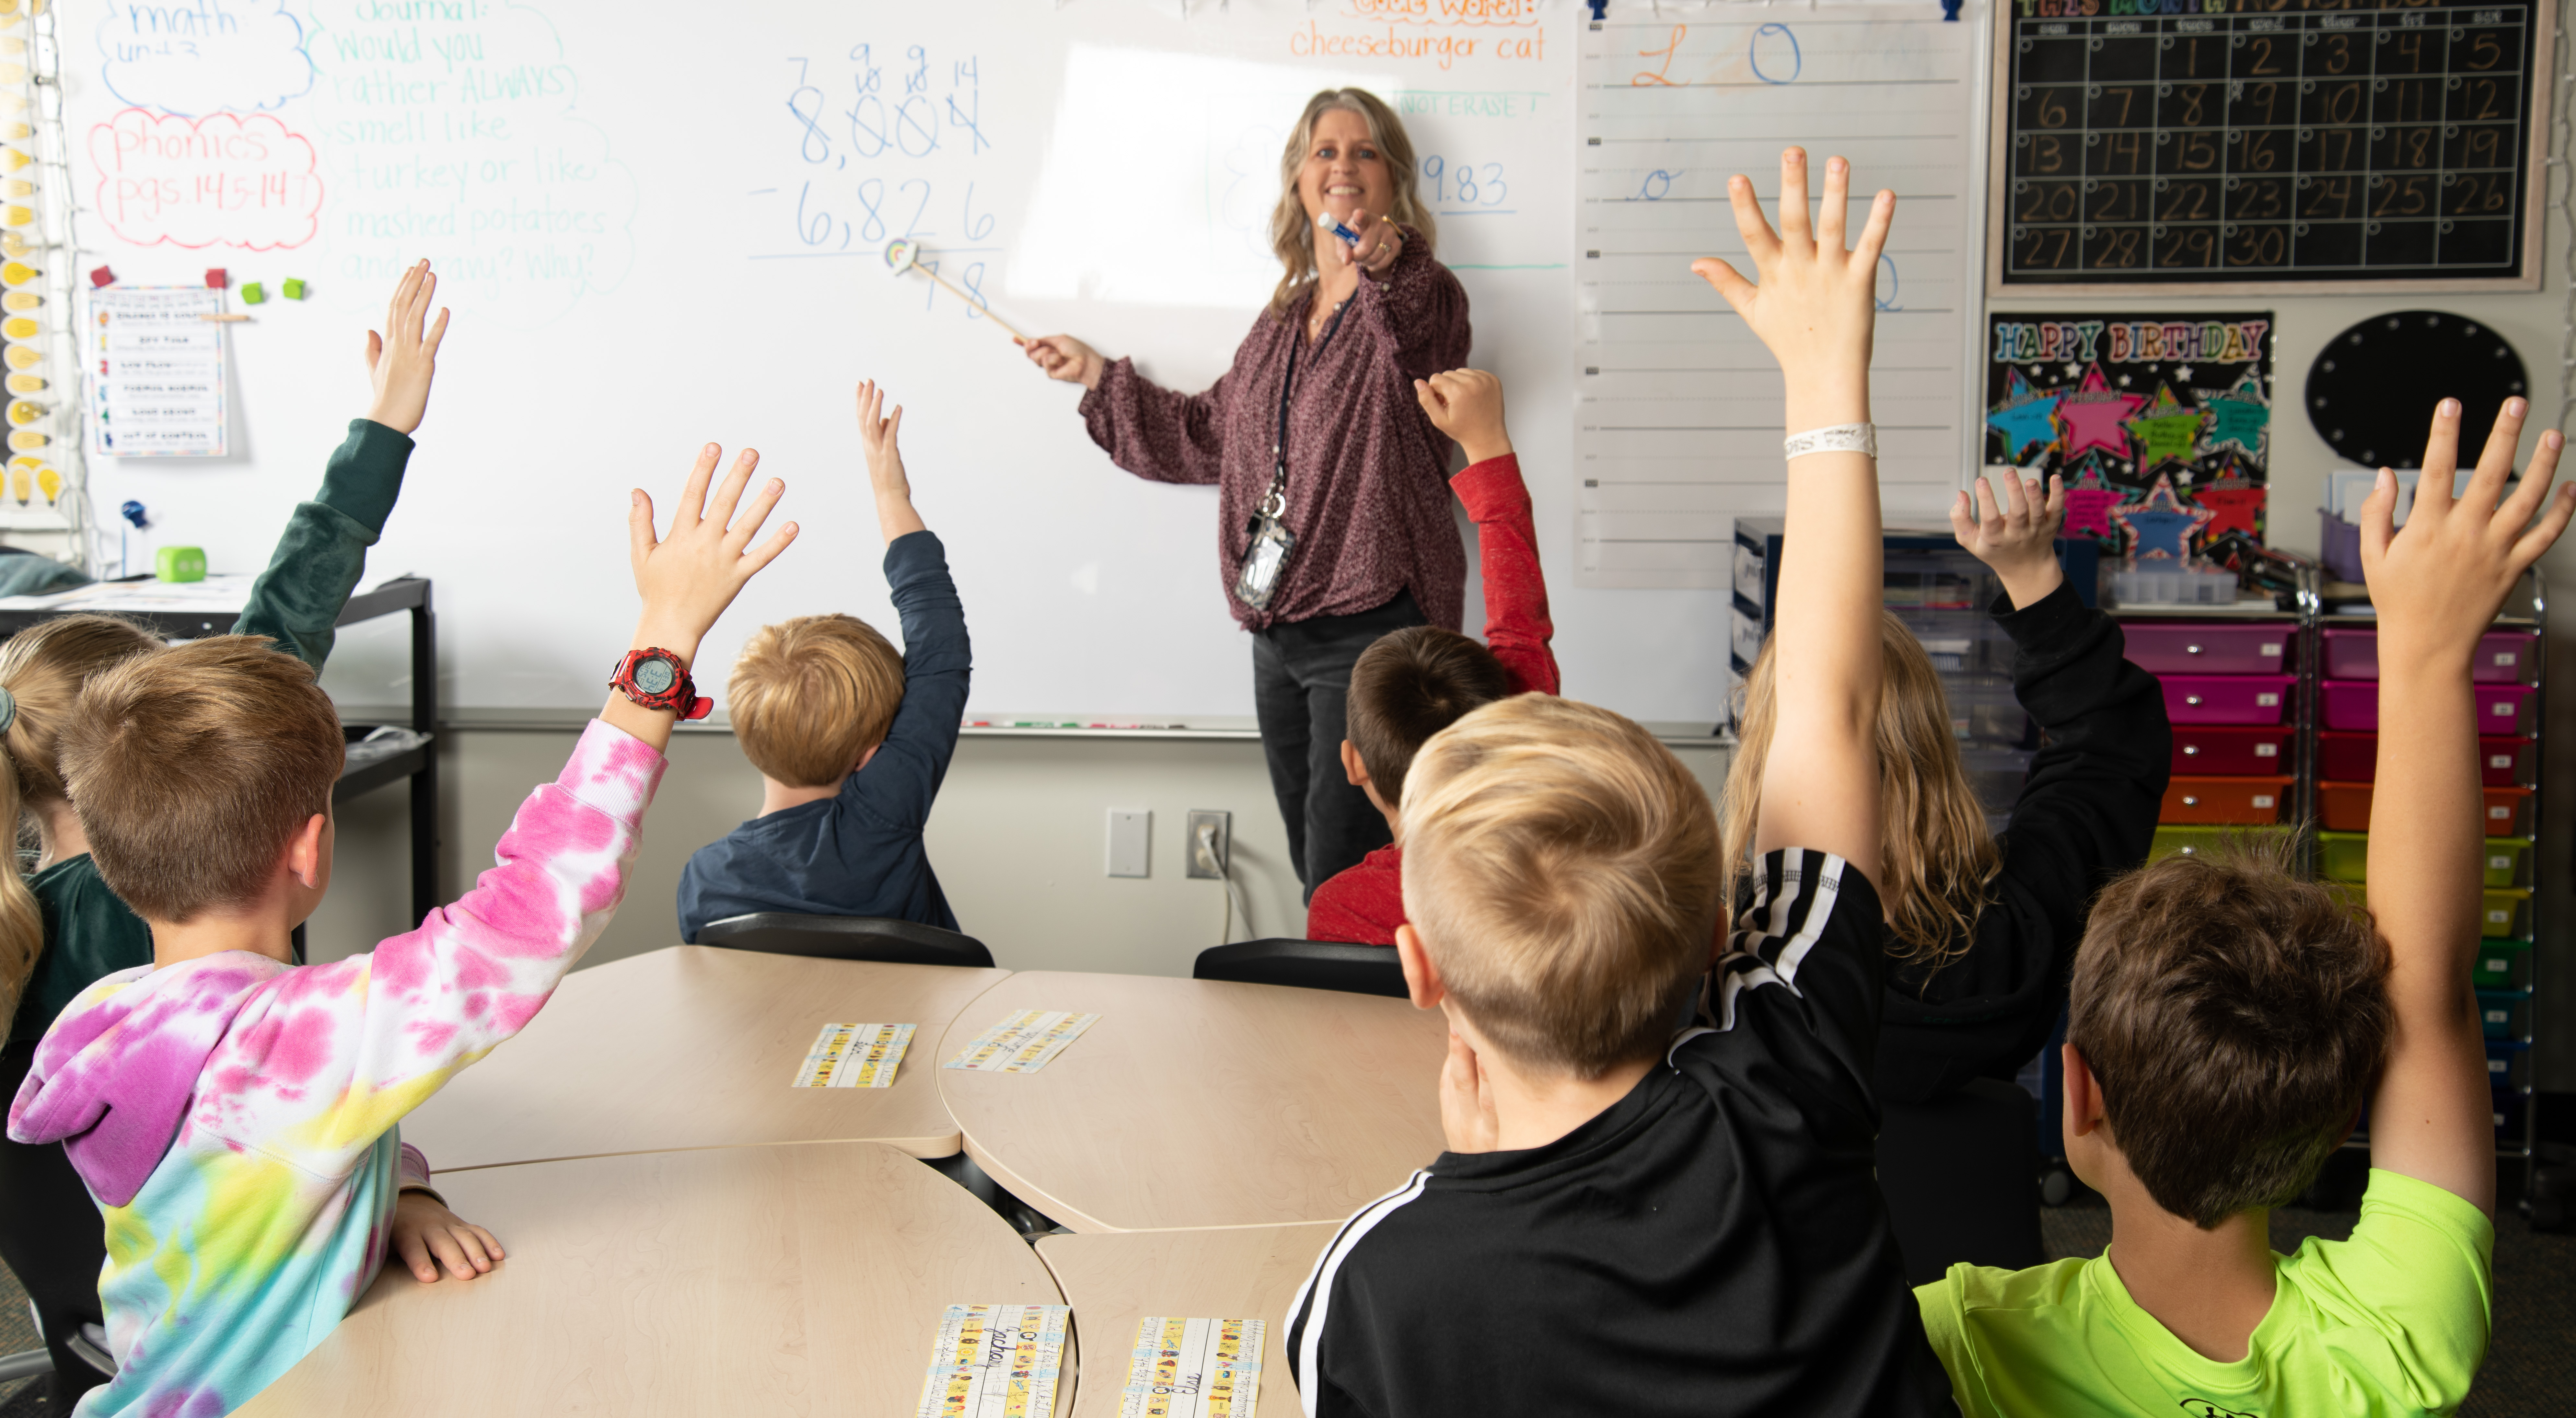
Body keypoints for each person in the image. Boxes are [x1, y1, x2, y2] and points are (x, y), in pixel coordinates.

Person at [1285, 150, 1949, 1416]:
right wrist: (1824, 381)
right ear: (1716, 934)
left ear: (1420, 966)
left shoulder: (1371, 1292)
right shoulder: (1786, 1082)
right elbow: (1826, 700)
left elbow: (1821, 704)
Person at [6, 441, 797, 1418]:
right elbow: (539, 903)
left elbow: (266, 1167)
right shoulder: (300, 1042)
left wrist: (394, 1196)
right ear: (309, 851)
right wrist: (662, 639)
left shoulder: (102, 1017)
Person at [1915, 398, 2572, 1416]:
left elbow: (2420, 993)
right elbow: (2426, 983)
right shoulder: (2393, 1342)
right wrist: (2429, 651)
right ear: (2340, 1102)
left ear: (2074, 1093)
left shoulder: (1962, 1341)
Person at [0, 260, 449, 1412]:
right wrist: (384, 425)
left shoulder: (25, 925)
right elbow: (288, 614)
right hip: (260, 1330)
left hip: (104, 1331)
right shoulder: (194, 882)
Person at [1021, 88, 1471, 899]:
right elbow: (1208, 436)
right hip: (1278, 635)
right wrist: (1094, 373)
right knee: (1319, 873)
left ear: (1393, 178)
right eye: (1324, 151)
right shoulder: (1280, 322)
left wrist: (1387, 257)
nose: (1342, 166)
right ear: (1299, 180)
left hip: (1374, 631)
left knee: (1353, 877)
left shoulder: (1416, 296)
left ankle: (1362, 1025)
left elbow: (1425, 321)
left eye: (1364, 151)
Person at [1723, 470, 2169, 1105]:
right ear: (1931, 742)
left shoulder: (1729, 971)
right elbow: (2111, 750)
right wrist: (2032, 573)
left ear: (1763, 759)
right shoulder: (2014, 938)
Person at [675, 381, 969, 944]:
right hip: (910, 1032)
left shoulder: (706, 879)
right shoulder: (885, 817)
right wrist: (891, 496)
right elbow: (941, 653)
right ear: (872, 755)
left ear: (748, 733)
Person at [1305, 367, 1556, 946]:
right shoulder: (1556, 884)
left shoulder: (1344, 908)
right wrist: (1487, 441)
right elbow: (1521, 628)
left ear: (1353, 763)